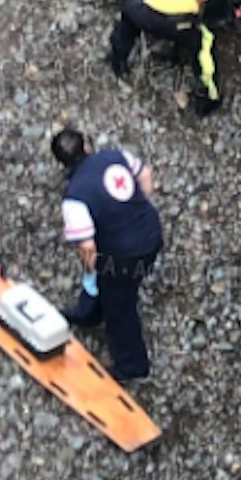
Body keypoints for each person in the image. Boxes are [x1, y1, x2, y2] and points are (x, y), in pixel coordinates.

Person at [52, 128, 164, 382]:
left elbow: (87, 246)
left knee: (120, 308)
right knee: (112, 282)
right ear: (87, 146)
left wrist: (91, 268)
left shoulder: (75, 197)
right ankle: (90, 313)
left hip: (125, 255)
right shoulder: (114, 156)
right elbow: (145, 174)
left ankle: (132, 366)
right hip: (151, 232)